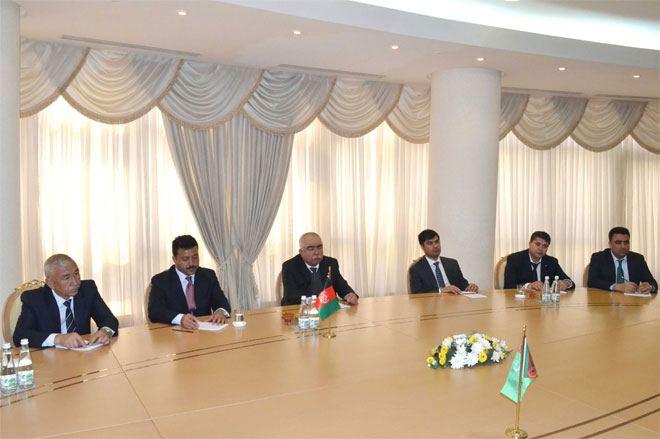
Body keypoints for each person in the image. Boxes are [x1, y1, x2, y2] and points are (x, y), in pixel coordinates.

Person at [13, 254, 118, 349]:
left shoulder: (87, 290)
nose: (75, 282)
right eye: (66, 278)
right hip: (50, 358)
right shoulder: (34, 299)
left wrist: (106, 331)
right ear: (50, 283)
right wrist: (58, 339)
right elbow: (20, 336)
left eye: (76, 274)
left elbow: (109, 319)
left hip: (84, 356)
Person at [148, 235, 231, 330]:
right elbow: (154, 312)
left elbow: (222, 302)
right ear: (174, 259)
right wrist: (180, 319)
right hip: (174, 334)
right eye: (185, 259)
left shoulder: (208, 276)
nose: (191, 263)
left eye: (195, 257)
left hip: (205, 332)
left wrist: (220, 311)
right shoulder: (161, 281)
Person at [281, 232, 359, 306]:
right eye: (311, 249)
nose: (316, 252)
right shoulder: (290, 266)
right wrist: (315, 301)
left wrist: (349, 295)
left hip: (327, 311)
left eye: (319, 247)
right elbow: (292, 297)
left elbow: (342, 286)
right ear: (301, 252)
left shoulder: (331, 263)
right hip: (298, 310)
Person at [588, 227, 657, 294]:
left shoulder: (638, 259)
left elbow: (653, 283)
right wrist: (616, 286)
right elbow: (592, 281)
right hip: (607, 299)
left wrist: (650, 287)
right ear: (610, 244)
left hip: (632, 299)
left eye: (626, 242)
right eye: (618, 242)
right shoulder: (599, 257)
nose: (623, 246)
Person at [409, 229, 478, 294]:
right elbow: (416, 294)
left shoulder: (452, 263)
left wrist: (470, 287)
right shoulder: (416, 269)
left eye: (437, 241)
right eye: (430, 243)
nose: (435, 246)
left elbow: (463, 285)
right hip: (432, 302)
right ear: (422, 247)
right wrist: (441, 290)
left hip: (454, 300)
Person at [503, 231, 574, 291]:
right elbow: (508, 286)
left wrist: (566, 283)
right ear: (529, 244)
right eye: (537, 244)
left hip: (545, 302)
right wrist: (528, 286)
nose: (541, 248)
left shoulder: (552, 262)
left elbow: (570, 282)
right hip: (522, 301)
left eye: (545, 246)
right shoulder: (515, 259)